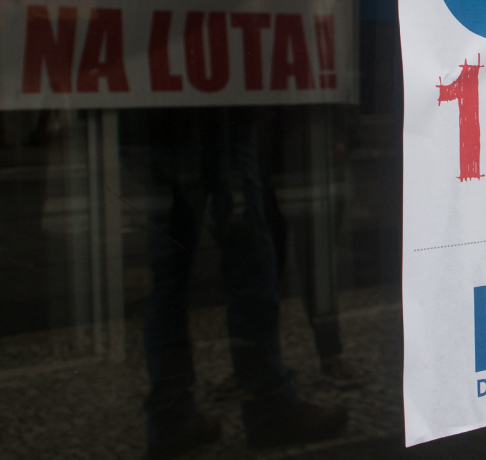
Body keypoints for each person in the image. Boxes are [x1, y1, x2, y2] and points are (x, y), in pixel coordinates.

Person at [140, 106, 347, 459]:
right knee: (248, 255)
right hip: (222, 113)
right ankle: (269, 403)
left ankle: (169, 414)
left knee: (168, 272)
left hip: (159, 115)